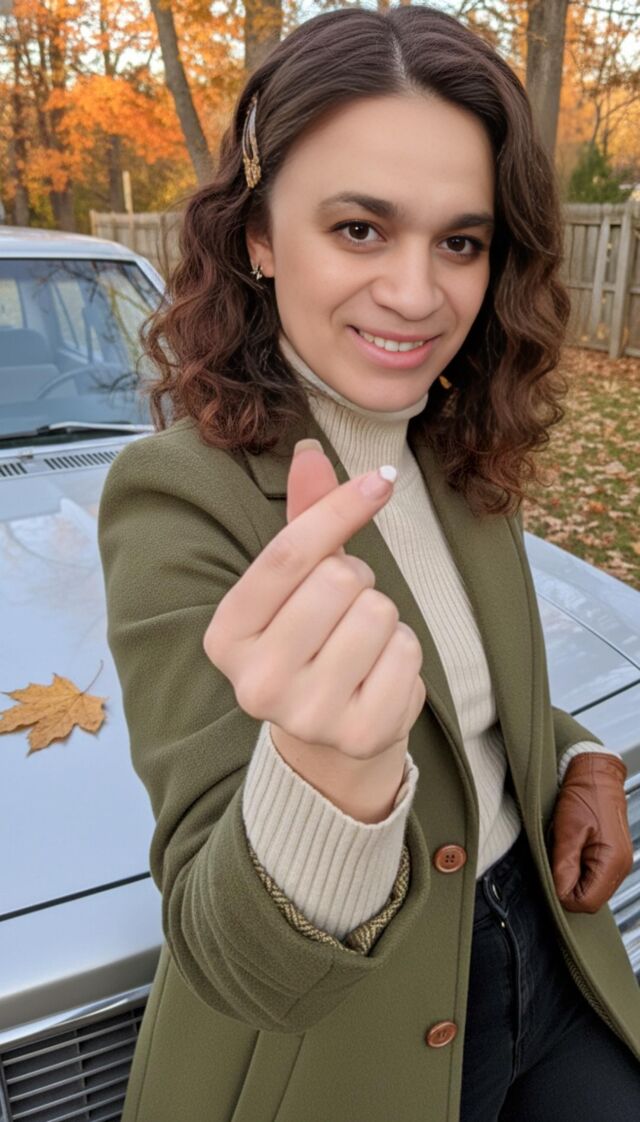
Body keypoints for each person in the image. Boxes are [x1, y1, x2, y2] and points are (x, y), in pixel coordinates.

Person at [97, 6, 640, 1121]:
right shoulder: (178, 496)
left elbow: (468, 688)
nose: (416, 293)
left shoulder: (455, 437)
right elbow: (238, 964)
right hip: (350, 1045)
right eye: (358, 228)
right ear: (257, 237)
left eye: (460, 242)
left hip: (547, 949)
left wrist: (578, 758)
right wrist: (323, 774)